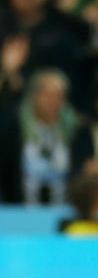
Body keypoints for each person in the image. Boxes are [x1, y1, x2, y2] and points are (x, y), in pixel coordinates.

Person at [0, 69, 77, 204]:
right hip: (20, 210)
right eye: (47, 95)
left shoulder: (74, 132)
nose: (52, 101)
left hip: (63, 209)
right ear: (33, 97)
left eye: (58, 96)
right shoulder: (14, 130)